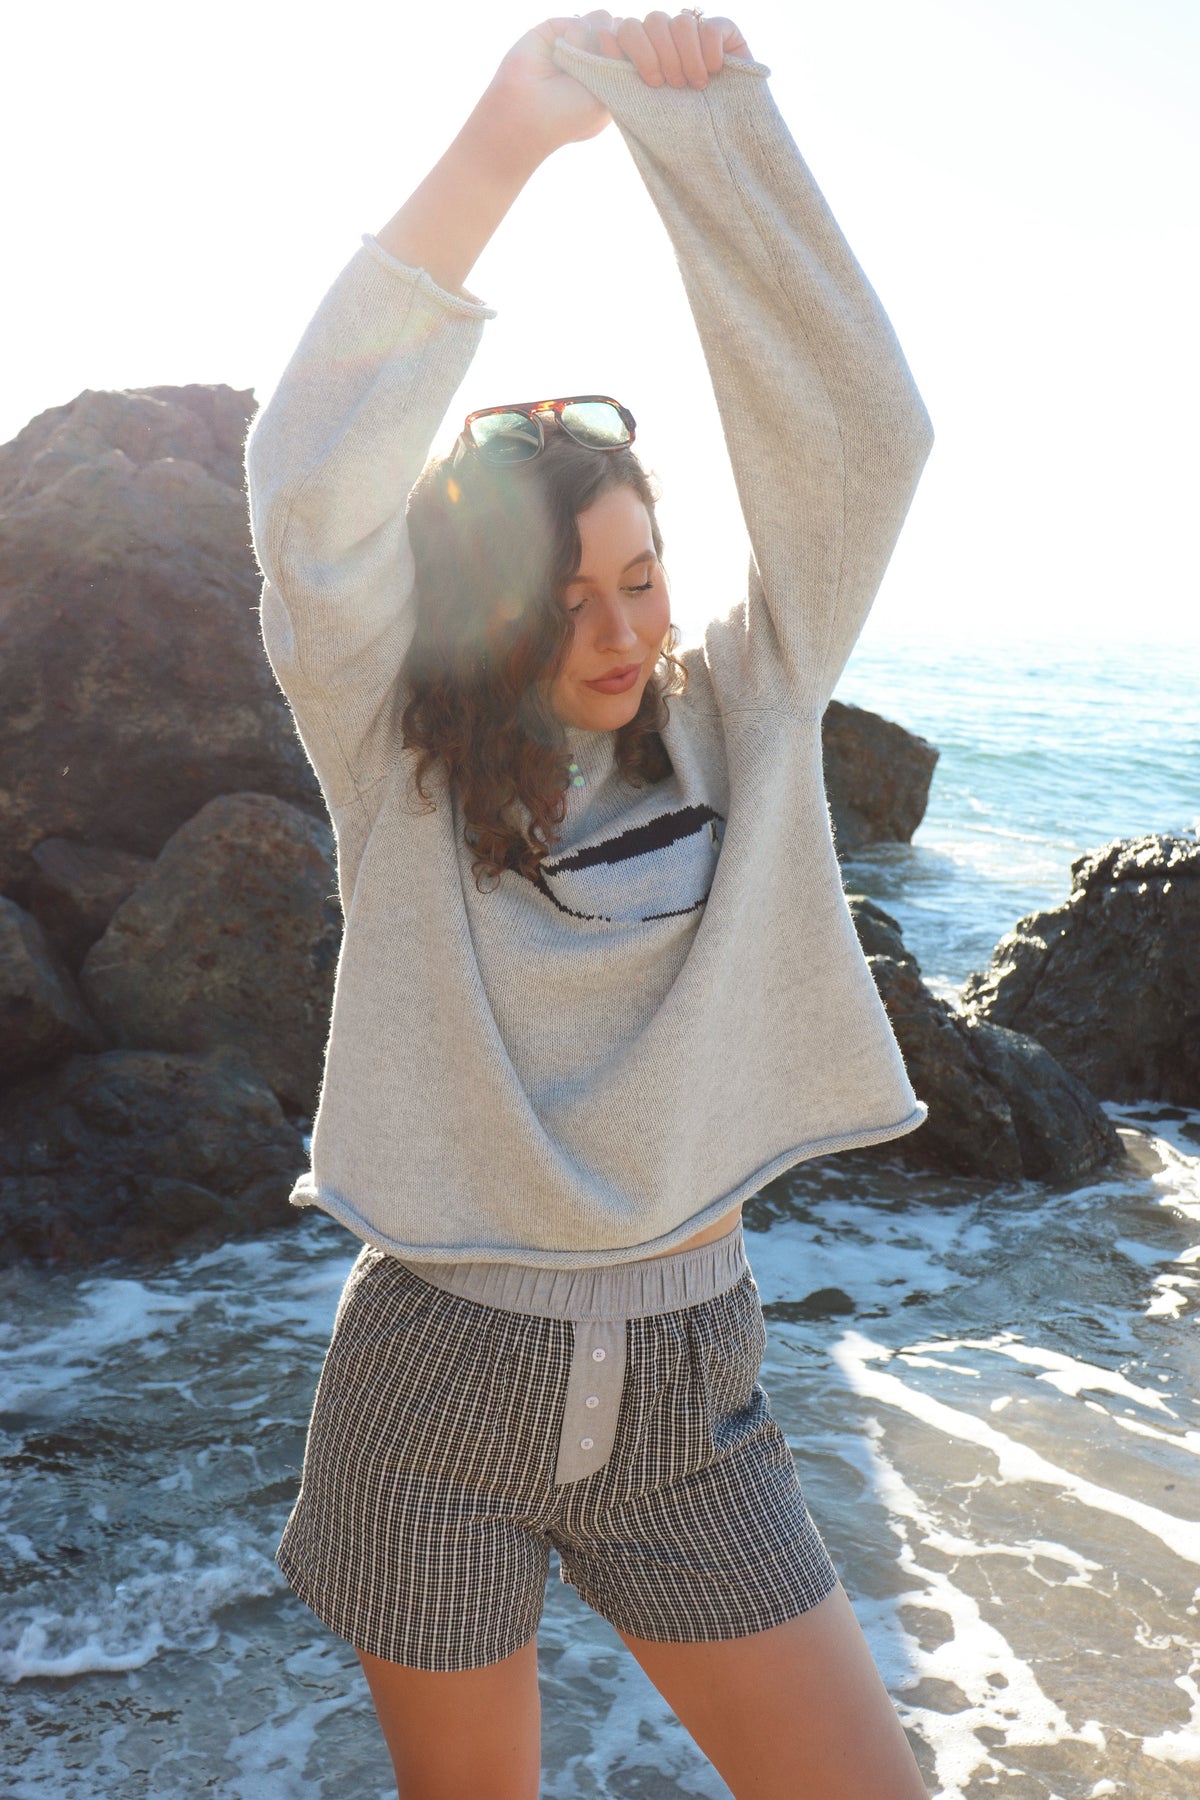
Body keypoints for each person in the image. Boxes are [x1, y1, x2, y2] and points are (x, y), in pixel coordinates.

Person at [245, 9, 934, 1796]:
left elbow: (869, 437)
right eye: (567, 602)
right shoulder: (395, 764)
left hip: (693, 1398)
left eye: (641, 580)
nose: (622, 635)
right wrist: (506, 139)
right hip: (435, 1391)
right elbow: (307, 484)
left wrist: (707, 138)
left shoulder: (749, 713)